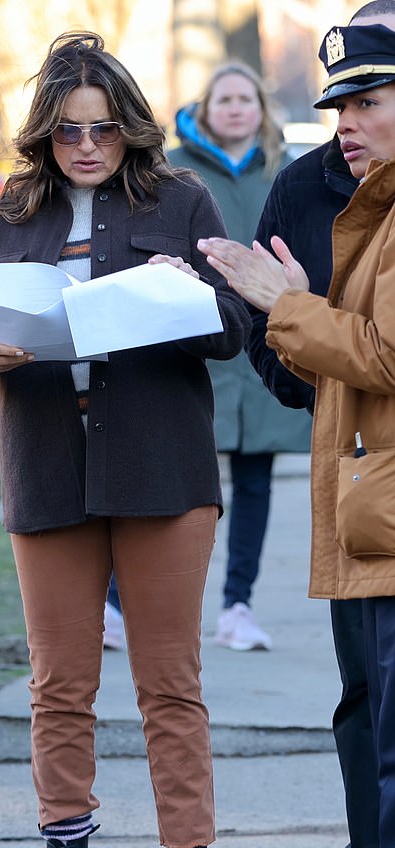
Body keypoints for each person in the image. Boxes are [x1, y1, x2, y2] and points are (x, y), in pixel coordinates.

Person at [0, 31, 250, 848]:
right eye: (69, 130)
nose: (86, 146)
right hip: (48, 471)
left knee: (170, 687)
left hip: (161, 474)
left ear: (130, 128)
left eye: (104, 128)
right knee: (59, 690)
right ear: (43, 133)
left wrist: (185, 296)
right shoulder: (7, 215)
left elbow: (235, 329)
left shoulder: (181, 199)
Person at [198, 21, 395, 848]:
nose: (348, 116)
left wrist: (293, 306)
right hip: (353, 487)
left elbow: (380, 349)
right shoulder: (311, 185)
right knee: (365, 702)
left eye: (372, 95)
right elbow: (283, 342)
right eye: (340, 99)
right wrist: (290, 325)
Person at [167, 62, 312, 653]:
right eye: (222, 98)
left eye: (244, 99)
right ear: (204, 108)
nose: (234, 109)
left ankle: (238, 606)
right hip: (195, 340)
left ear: (261, 108)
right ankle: (128, 606)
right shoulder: (172, 169)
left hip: (263, 343)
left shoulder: (285, 169)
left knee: (254, 481)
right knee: (175, 485)